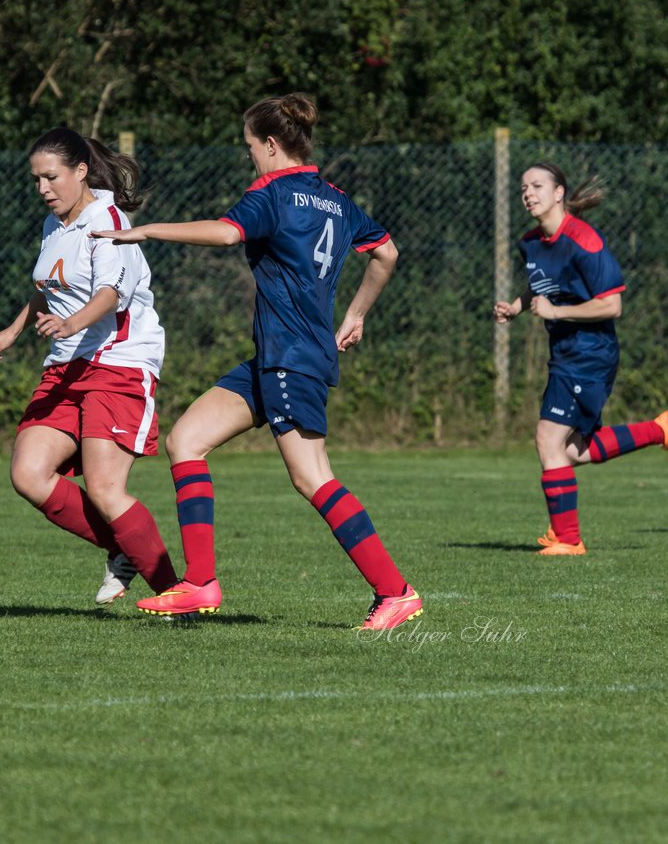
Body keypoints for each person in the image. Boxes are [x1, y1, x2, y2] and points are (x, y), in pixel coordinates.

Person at [92, 93, 423, 631]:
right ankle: (200, 582)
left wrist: (148, 230)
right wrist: (356, 314)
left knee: (313, 477)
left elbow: (226, 233)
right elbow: (387, 253)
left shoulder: (271, 192)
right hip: (276, 356)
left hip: (291, 358)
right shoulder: (336, 198)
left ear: (271, 145)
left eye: (250, 146)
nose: (249, 156)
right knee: (186, 441)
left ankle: (395, 591)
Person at [0, 127, 178, 603]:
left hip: (119, 362)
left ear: (81, 171)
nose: (42, 189)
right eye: (36, 180)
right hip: (67, 365)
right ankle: (126, 548)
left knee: (107, 490)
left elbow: (110, 294)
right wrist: (13, 329)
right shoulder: (57, 224)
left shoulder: (107, 223)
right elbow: (48, 285)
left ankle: (175, 594)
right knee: (29, 473)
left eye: (51, 178)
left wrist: (73, 325)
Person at [493, 163, 668, 555]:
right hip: (565, 352)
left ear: (559, 193)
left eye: (537, 186)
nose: (528, 194)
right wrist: (516, 307)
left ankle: (568, 539)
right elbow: (540, 286)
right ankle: (660, 430)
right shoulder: (530, 242)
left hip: (591, 354)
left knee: (548, 439)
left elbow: (612, 305)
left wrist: (556, 313)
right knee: (570, 451)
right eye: (523, 188)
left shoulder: (585, 240)